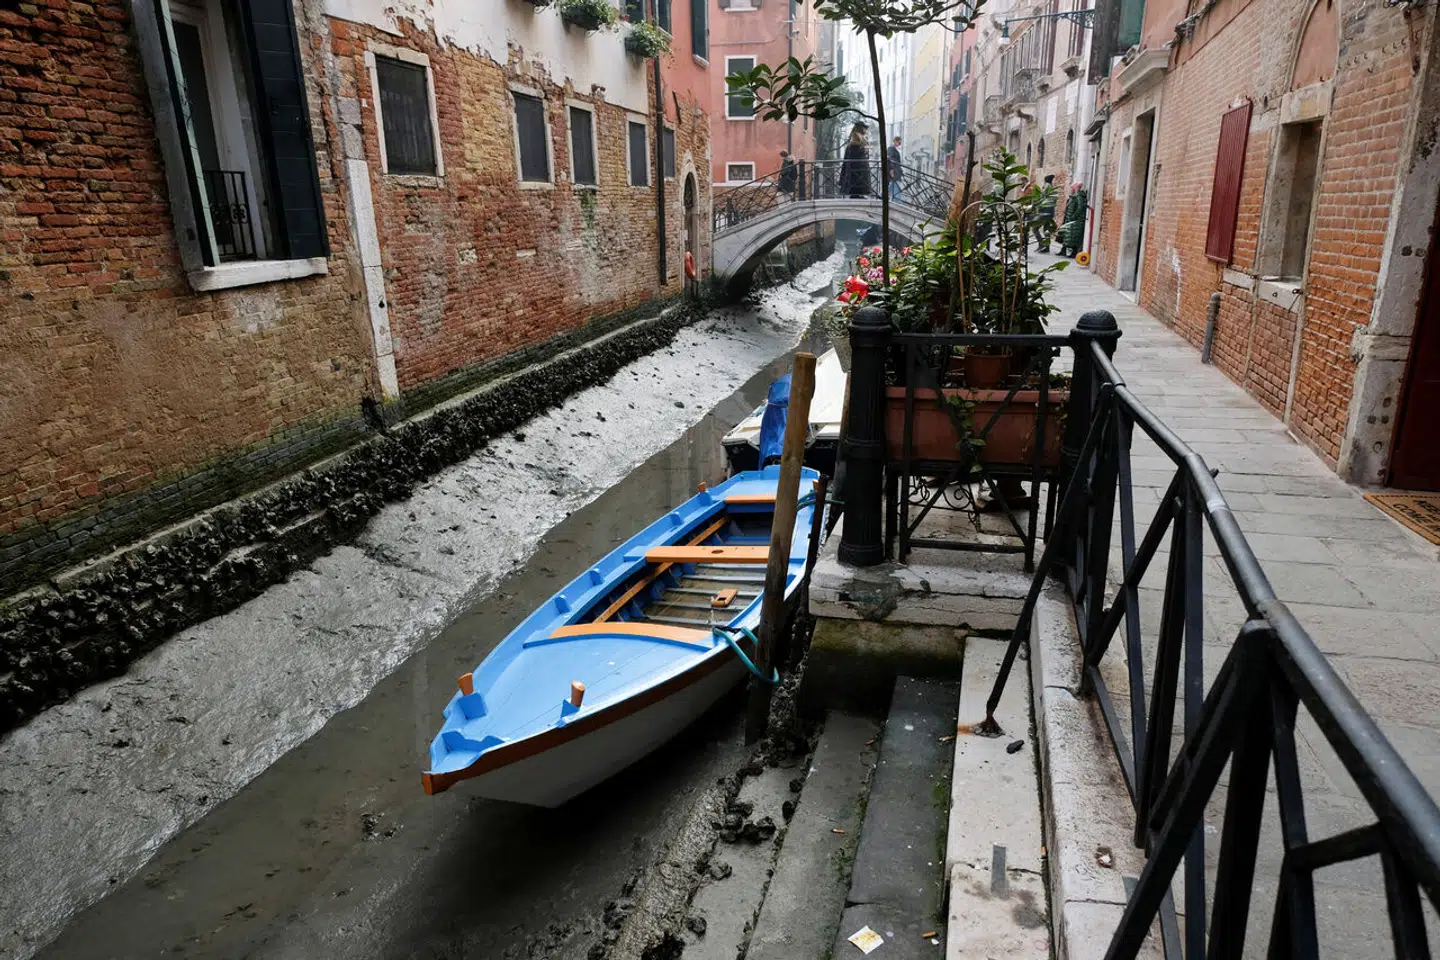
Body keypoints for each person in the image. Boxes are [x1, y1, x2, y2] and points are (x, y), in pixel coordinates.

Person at [1058, 181, 1088, 258]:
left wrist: (1073, 217)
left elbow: (1080, 207)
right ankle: (1063, 250)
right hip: (1070, 218)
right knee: (1067, 235)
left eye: (1072, 188)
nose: (1071, 189)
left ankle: (1073, 252)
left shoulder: (1079, 196)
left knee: (1073, 237)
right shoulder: (1075, 196)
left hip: (1075, 220)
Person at [840, 124, 870, 198]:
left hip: (856, 165)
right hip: (856, 165)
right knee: (856, 179)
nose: (866, 130)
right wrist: (864, 149)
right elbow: (856, 149)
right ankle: (856, 193)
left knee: (856, 179)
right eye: (864, 128)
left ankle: (857, 193)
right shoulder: (856, 136)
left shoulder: (857, 137)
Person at [1035, 174, 1057, 253]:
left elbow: (1042, 198)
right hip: (1051, 211)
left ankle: (1041, 245)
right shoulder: (1053, 189)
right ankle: (1047, 248)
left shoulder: (1047, 187)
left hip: (1045, 211)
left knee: (1035, 228)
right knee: (1046, 230)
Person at [887, 136, 903, 201]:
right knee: (896, 184)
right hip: (894, 170)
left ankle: (882, 195)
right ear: (895, 141)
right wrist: (891, 170)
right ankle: (897, 200)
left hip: (896, 170)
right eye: (899, 143)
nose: (899, 144)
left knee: (893, 184)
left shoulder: (893, 149)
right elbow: (890, 159)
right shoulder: (891, 149)